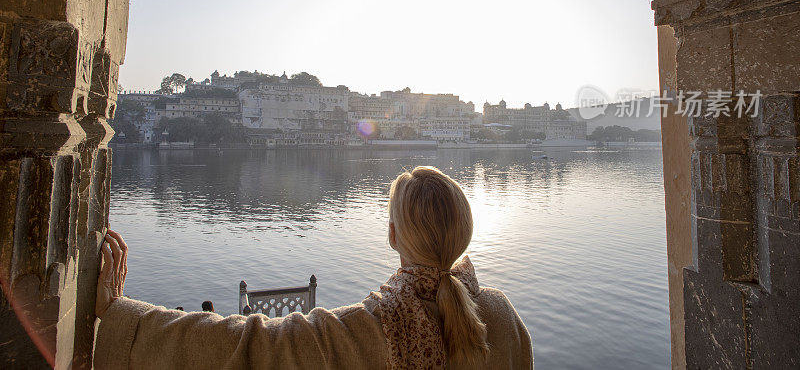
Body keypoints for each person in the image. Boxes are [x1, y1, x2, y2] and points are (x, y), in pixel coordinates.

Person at [94, 167, 533, 369]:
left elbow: (248, 347)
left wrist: (120, 316)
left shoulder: (374, 330)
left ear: (393, 237)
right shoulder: (501, 315)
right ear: (465, 233)